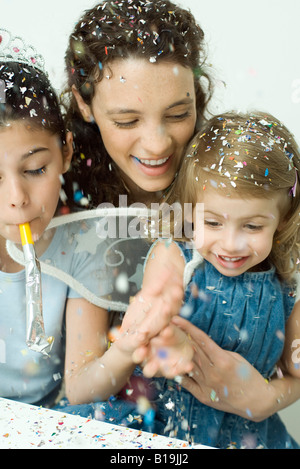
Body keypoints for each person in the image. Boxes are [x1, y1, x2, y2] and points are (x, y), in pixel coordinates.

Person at [132, 111, 300, 448]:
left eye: (252, 227)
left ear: (281, 222)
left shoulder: (286, 286)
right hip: (163, 426)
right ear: (190, 210)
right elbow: (144, 319)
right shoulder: (175, 259)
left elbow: (293, 367)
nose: (230, 244)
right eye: (212, 223)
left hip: (245, 436)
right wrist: (167, 341)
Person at [63, 0, 213, 207]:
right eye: (127, 121)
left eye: (178, 114)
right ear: (83, 104)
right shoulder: (49, 199)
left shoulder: (232, 187)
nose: (157, 146)